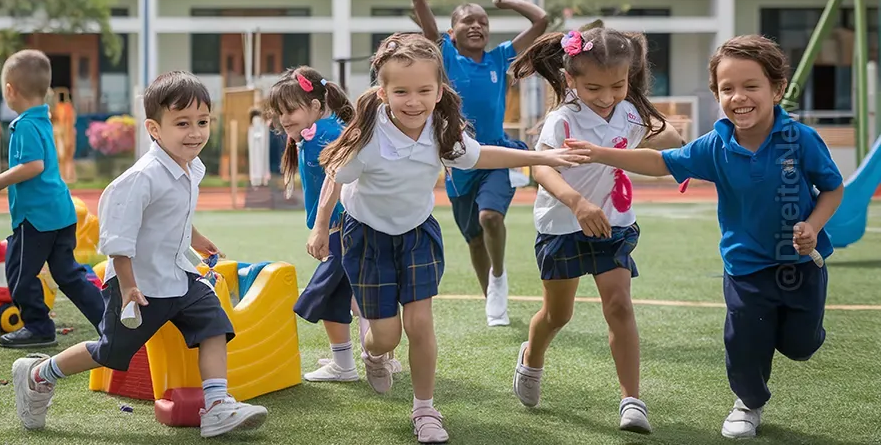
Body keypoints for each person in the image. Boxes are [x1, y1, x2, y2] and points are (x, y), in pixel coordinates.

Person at [306, 33, 587, 443]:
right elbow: (334, 175)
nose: (413, 101)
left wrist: (542, 156)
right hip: (368, 237)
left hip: (417, 233)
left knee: (420, 324)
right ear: (383, 93)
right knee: (386, 335)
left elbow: (484, 155)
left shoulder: (440, 129)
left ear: (440, 90)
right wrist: (319, 226)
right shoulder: (367, 139)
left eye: (424, 90)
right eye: (401, 91)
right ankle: (373, 352)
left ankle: (424, 410)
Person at [566, 35, 844, 439]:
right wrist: (600, 152)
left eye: (751, 86)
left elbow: (832, 189)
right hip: (746, 265)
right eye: (727, 89)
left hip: (802, 266)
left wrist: (813, 227)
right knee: (744, 338)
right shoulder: (716, 146)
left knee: (801, 346)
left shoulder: (799, 140)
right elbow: (660, 161)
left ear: (777, 89)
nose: (739, 97)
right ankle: (748, 403)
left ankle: (806, 334)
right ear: (716, 94)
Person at [9, 71, 268, 438]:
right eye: (182, 123)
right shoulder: (140, 179)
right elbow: (119, 240)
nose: (195, 132)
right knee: (110, 351)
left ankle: (217, 406)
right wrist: (128, 287)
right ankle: (38, 374)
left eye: (202, 122)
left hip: (179, 278)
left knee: (214, 325)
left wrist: (197, 239)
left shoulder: (190, 167)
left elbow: (174, 215)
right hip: (140, 284)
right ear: (154, 128)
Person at [508, 26, 683, 433]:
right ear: (570, 81)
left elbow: (672, 140)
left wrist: (654, 124)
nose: (606, 97)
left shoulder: (630, 111)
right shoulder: (562, 120)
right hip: (561, 226)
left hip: (614, 225)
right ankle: (532, 356)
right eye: (593, 88)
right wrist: (578, 202)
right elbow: (541, 168)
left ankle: (631, 401)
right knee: (557, 315)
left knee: (619, 304)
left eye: (617, 85)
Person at [407, 0, 550, 326]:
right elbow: (428, 27)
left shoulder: (499, 57)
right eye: (468, 21)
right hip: (458, 159)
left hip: (497, 153)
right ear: (453, 32)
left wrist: (511, 1)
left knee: (490, 218)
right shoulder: (447, 56)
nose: (477, 26)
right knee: (472, 238)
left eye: (483, 21)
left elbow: (542, 21)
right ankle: (491, 296)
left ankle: (499, 278)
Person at [263, 66, 401, 383]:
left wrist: (323, 227)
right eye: (279, 112)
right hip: (352, 228)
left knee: (334, 297)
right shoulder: (321, 132)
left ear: (314, 106)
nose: (284, 119)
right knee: (345, 297)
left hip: (344, 229)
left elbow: (337, 181)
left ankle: (366, 359)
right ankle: (361, 361)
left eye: (291, 110)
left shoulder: (322, 137)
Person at [0, 49, 104, 349]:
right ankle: (107, 321)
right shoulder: (43, 119)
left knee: (19, 272)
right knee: (67, 274)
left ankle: (37, 327)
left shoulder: (24, 124)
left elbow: (33, 166)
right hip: (61, 213)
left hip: (37, 219)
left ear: (10, 90)